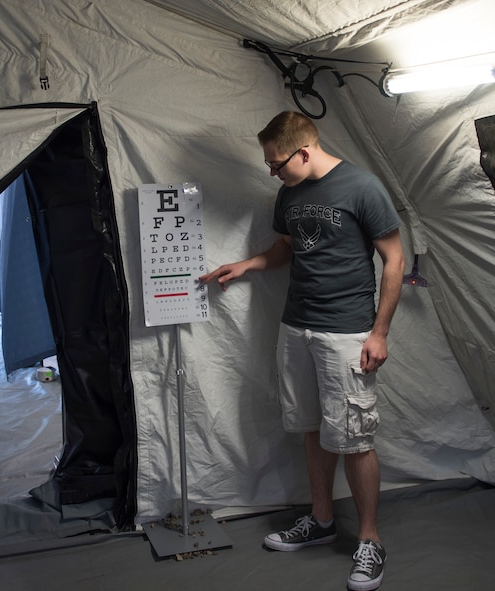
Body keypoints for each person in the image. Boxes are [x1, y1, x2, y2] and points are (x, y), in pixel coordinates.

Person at [199, 111, 404, 591]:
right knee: (313, 428)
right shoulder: (289, 193)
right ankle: (321, 519)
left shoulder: (362, 187)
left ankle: (370, 541)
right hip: (297, 329)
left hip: (346, 332)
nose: (271, 172)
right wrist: (247, 265)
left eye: (276, 164)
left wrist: (380, 332)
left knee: (354, 436)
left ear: (304, 152)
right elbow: (287, 249)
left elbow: (394, 259)